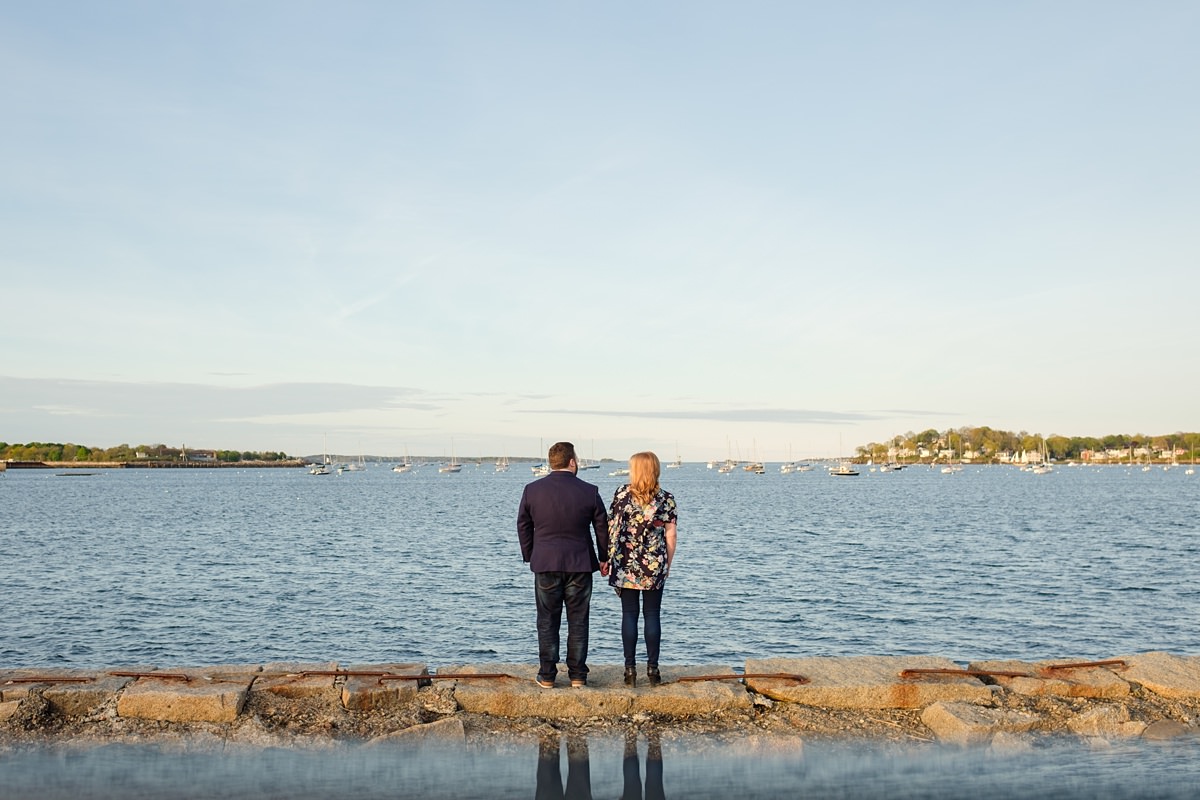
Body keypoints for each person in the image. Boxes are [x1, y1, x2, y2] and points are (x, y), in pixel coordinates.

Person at [518, 441, 609, 688]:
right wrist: (604, 557)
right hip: (580, 563)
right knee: (578, 620)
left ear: (551, 463)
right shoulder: (589, 491)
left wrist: (530, 554)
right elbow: (602, 527)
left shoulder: (532, 490)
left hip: (545, 562)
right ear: (572, 462)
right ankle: (578, 675)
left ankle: (547, 675)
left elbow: (523, 524)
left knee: (547, 619)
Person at [606, 451, 677, 688]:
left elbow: (612, 527)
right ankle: (653, 670)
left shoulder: (622, 494)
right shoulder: (666, 499)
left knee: (629, 615)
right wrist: (667, 564)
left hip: (626, 563)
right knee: (652, 615)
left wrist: (607, 558)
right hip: (654, 563)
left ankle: (629, 671)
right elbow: (671, 534)